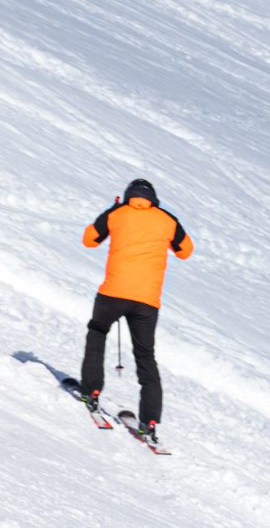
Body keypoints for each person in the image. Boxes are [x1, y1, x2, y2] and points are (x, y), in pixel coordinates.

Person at [78, 179, 193, 445]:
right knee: (145, 356)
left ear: (129, 196)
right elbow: (185, 251)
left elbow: (89, 240)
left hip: (113, 294)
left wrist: (112, 210)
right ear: (153, 199)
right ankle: (150, 422)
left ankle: (91, 392)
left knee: (97, 333)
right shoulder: (167, 220)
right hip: (146, 302)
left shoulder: (118, 213)